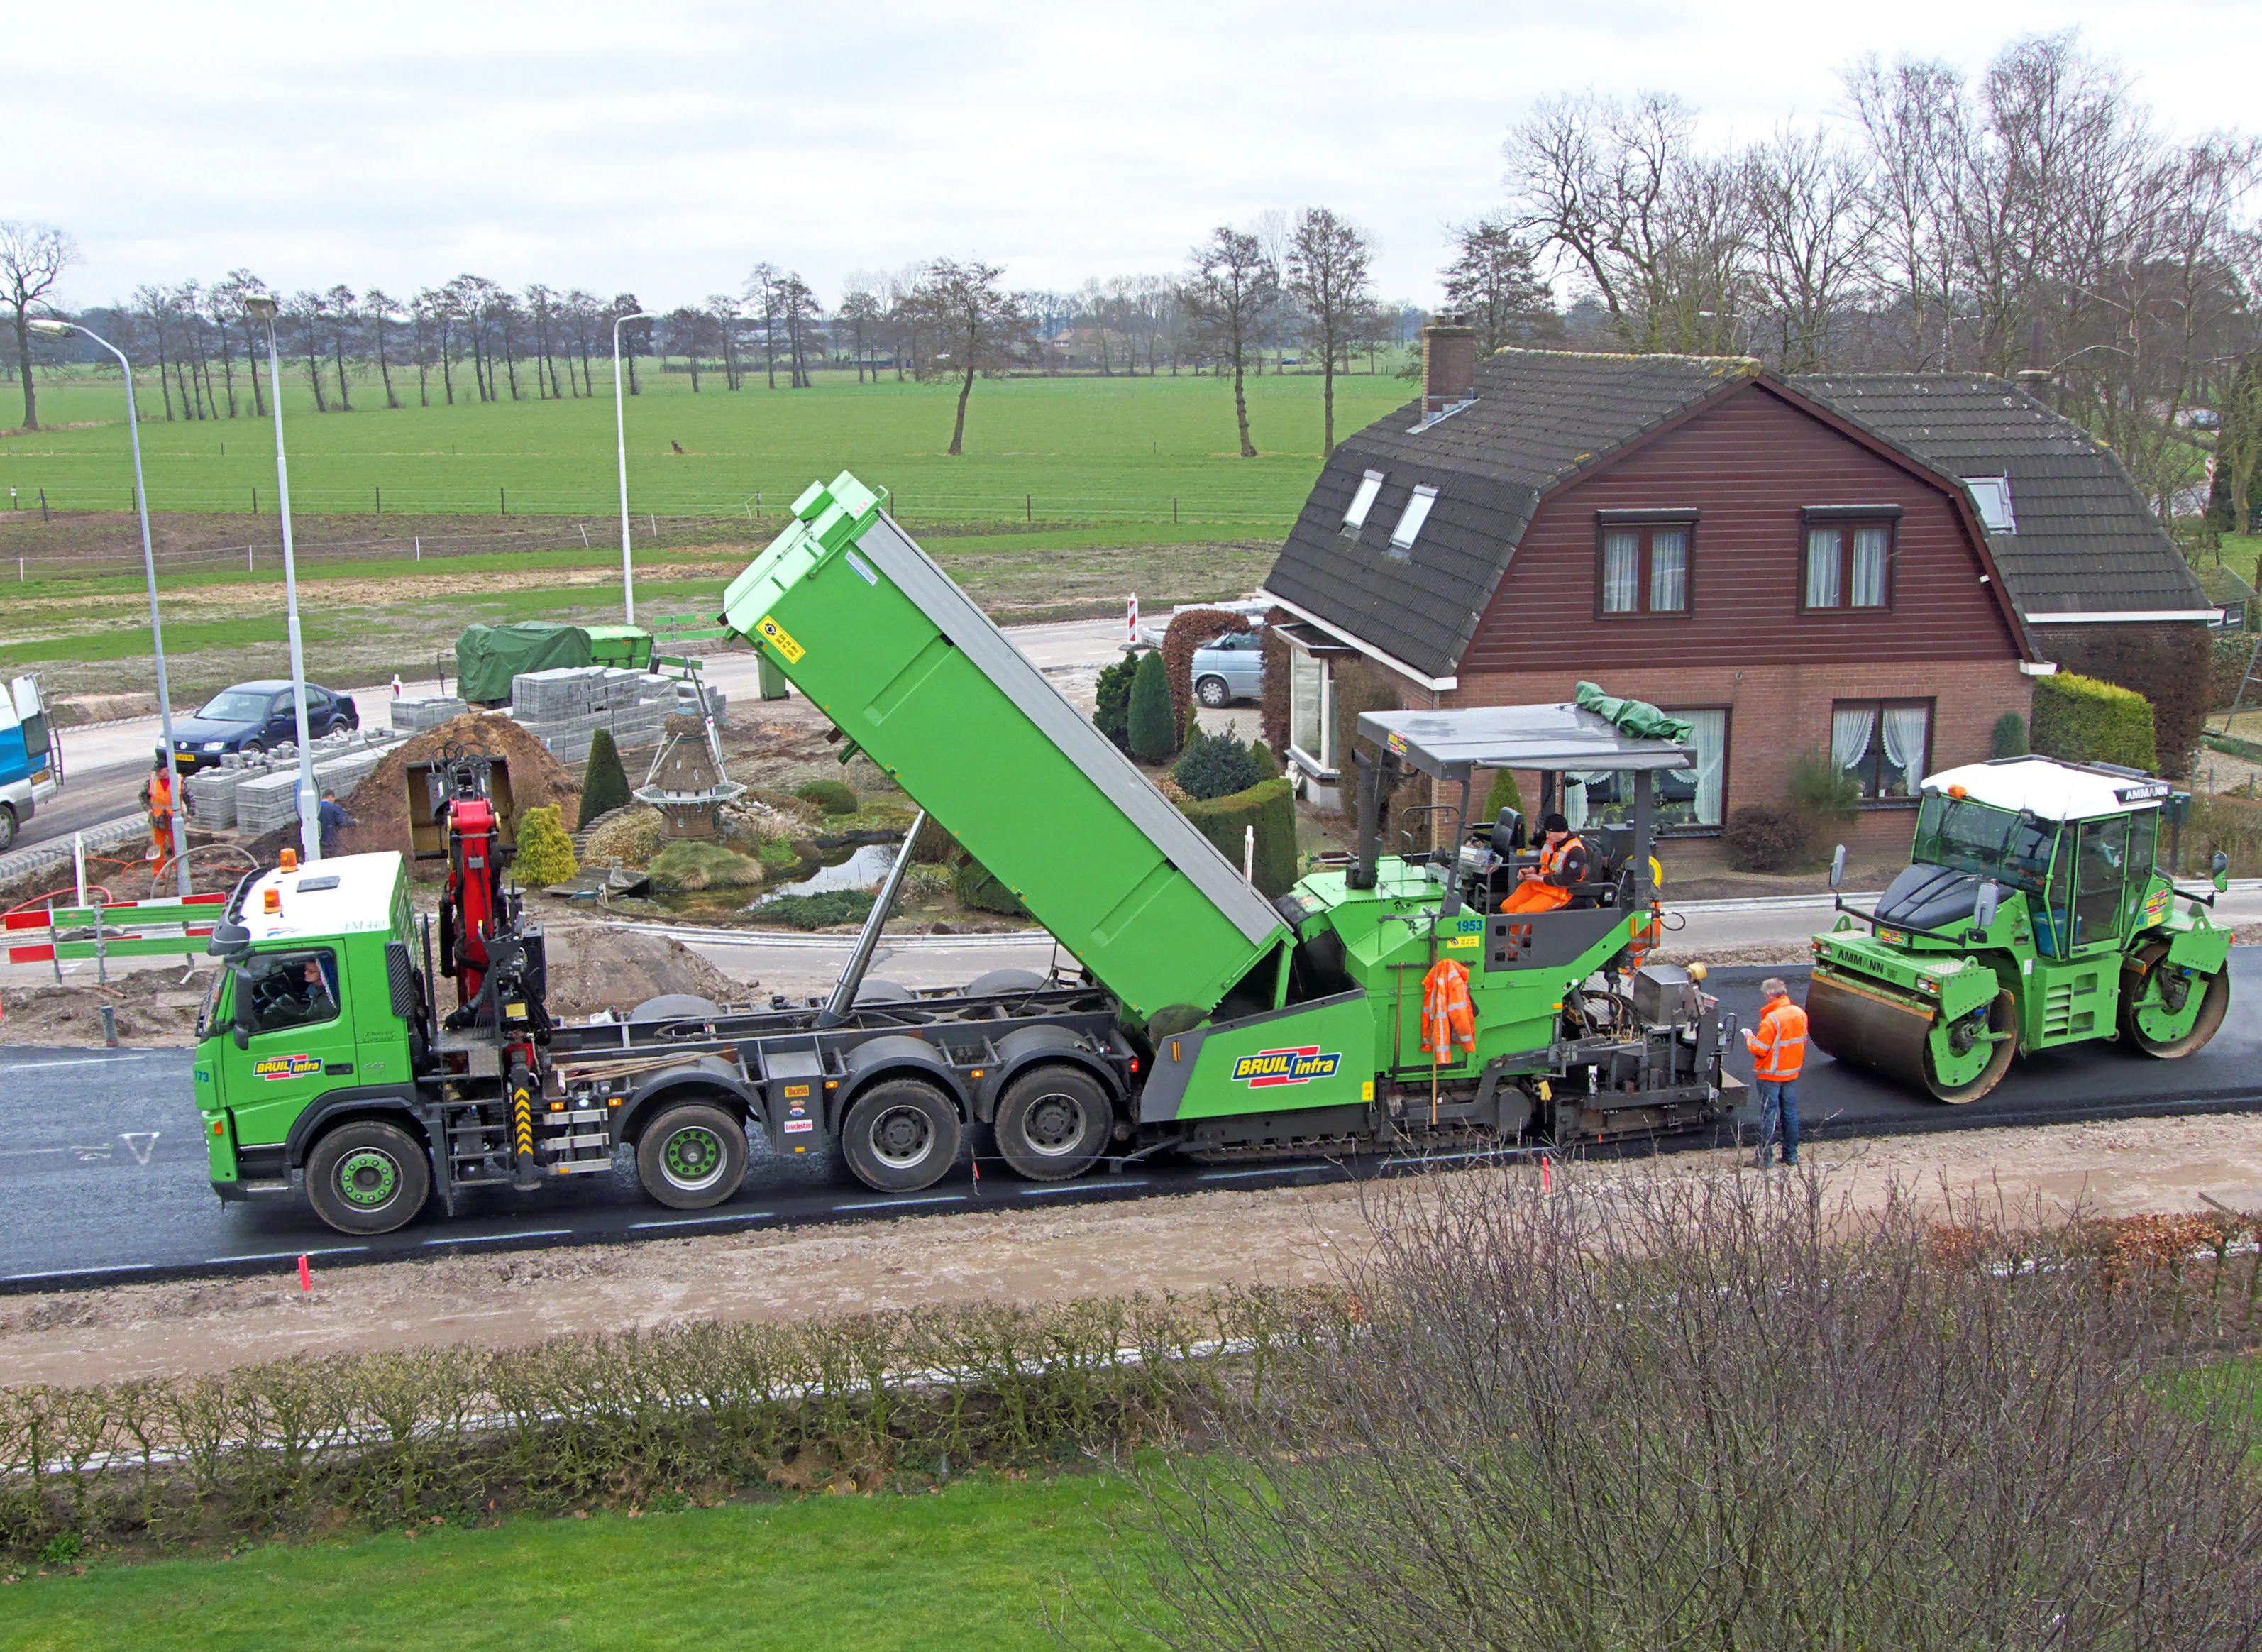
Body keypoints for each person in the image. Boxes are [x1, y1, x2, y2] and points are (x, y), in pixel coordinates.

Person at [1747, 976, 1807, 1167]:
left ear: (1771, 995)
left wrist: (1749, 1038)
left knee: (1768, 1116)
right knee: (1789, 1114)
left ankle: (1765, 1159)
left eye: (1765, 995)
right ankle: (1791, 1156)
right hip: (1791, 1073)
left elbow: (1759, 1048)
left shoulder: (1772, 1019)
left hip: (1771, 1075)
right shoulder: (1799, 1013)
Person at [1501, 813, 1587, 914]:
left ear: (1560, 831)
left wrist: (1540, 879)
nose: (1548, 836)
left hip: (1558, 893)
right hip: (1539, 885)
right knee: (1507, 906)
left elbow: (1568, 879)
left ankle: (1519, 930)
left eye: (1550, 833)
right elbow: (1545, 863)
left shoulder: (1575, 851)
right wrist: (1531, 870)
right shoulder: (1551, 842)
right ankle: (1505, 929)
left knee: (1522, 912)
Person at [140, 749, 175, 867]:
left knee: (177, 847)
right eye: (157, 772)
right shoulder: (152, 781)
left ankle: (179, 872)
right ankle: (158, 875)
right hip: (157, 821)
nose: (158, 774)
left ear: (167, 770)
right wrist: (148, 808)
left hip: (173, 821)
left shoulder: (177, 781)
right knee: (157, 850)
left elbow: (189, 798)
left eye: (160, 771)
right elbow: (142, 796)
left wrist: (190, 814)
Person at [316, 788, 354, 859]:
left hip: (318, 845)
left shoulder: (316, 809)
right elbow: (344, 822)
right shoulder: (334, 808)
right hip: (331, 843)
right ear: (330, 797)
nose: (334, 801)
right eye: (333, 799)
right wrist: (354, 822)